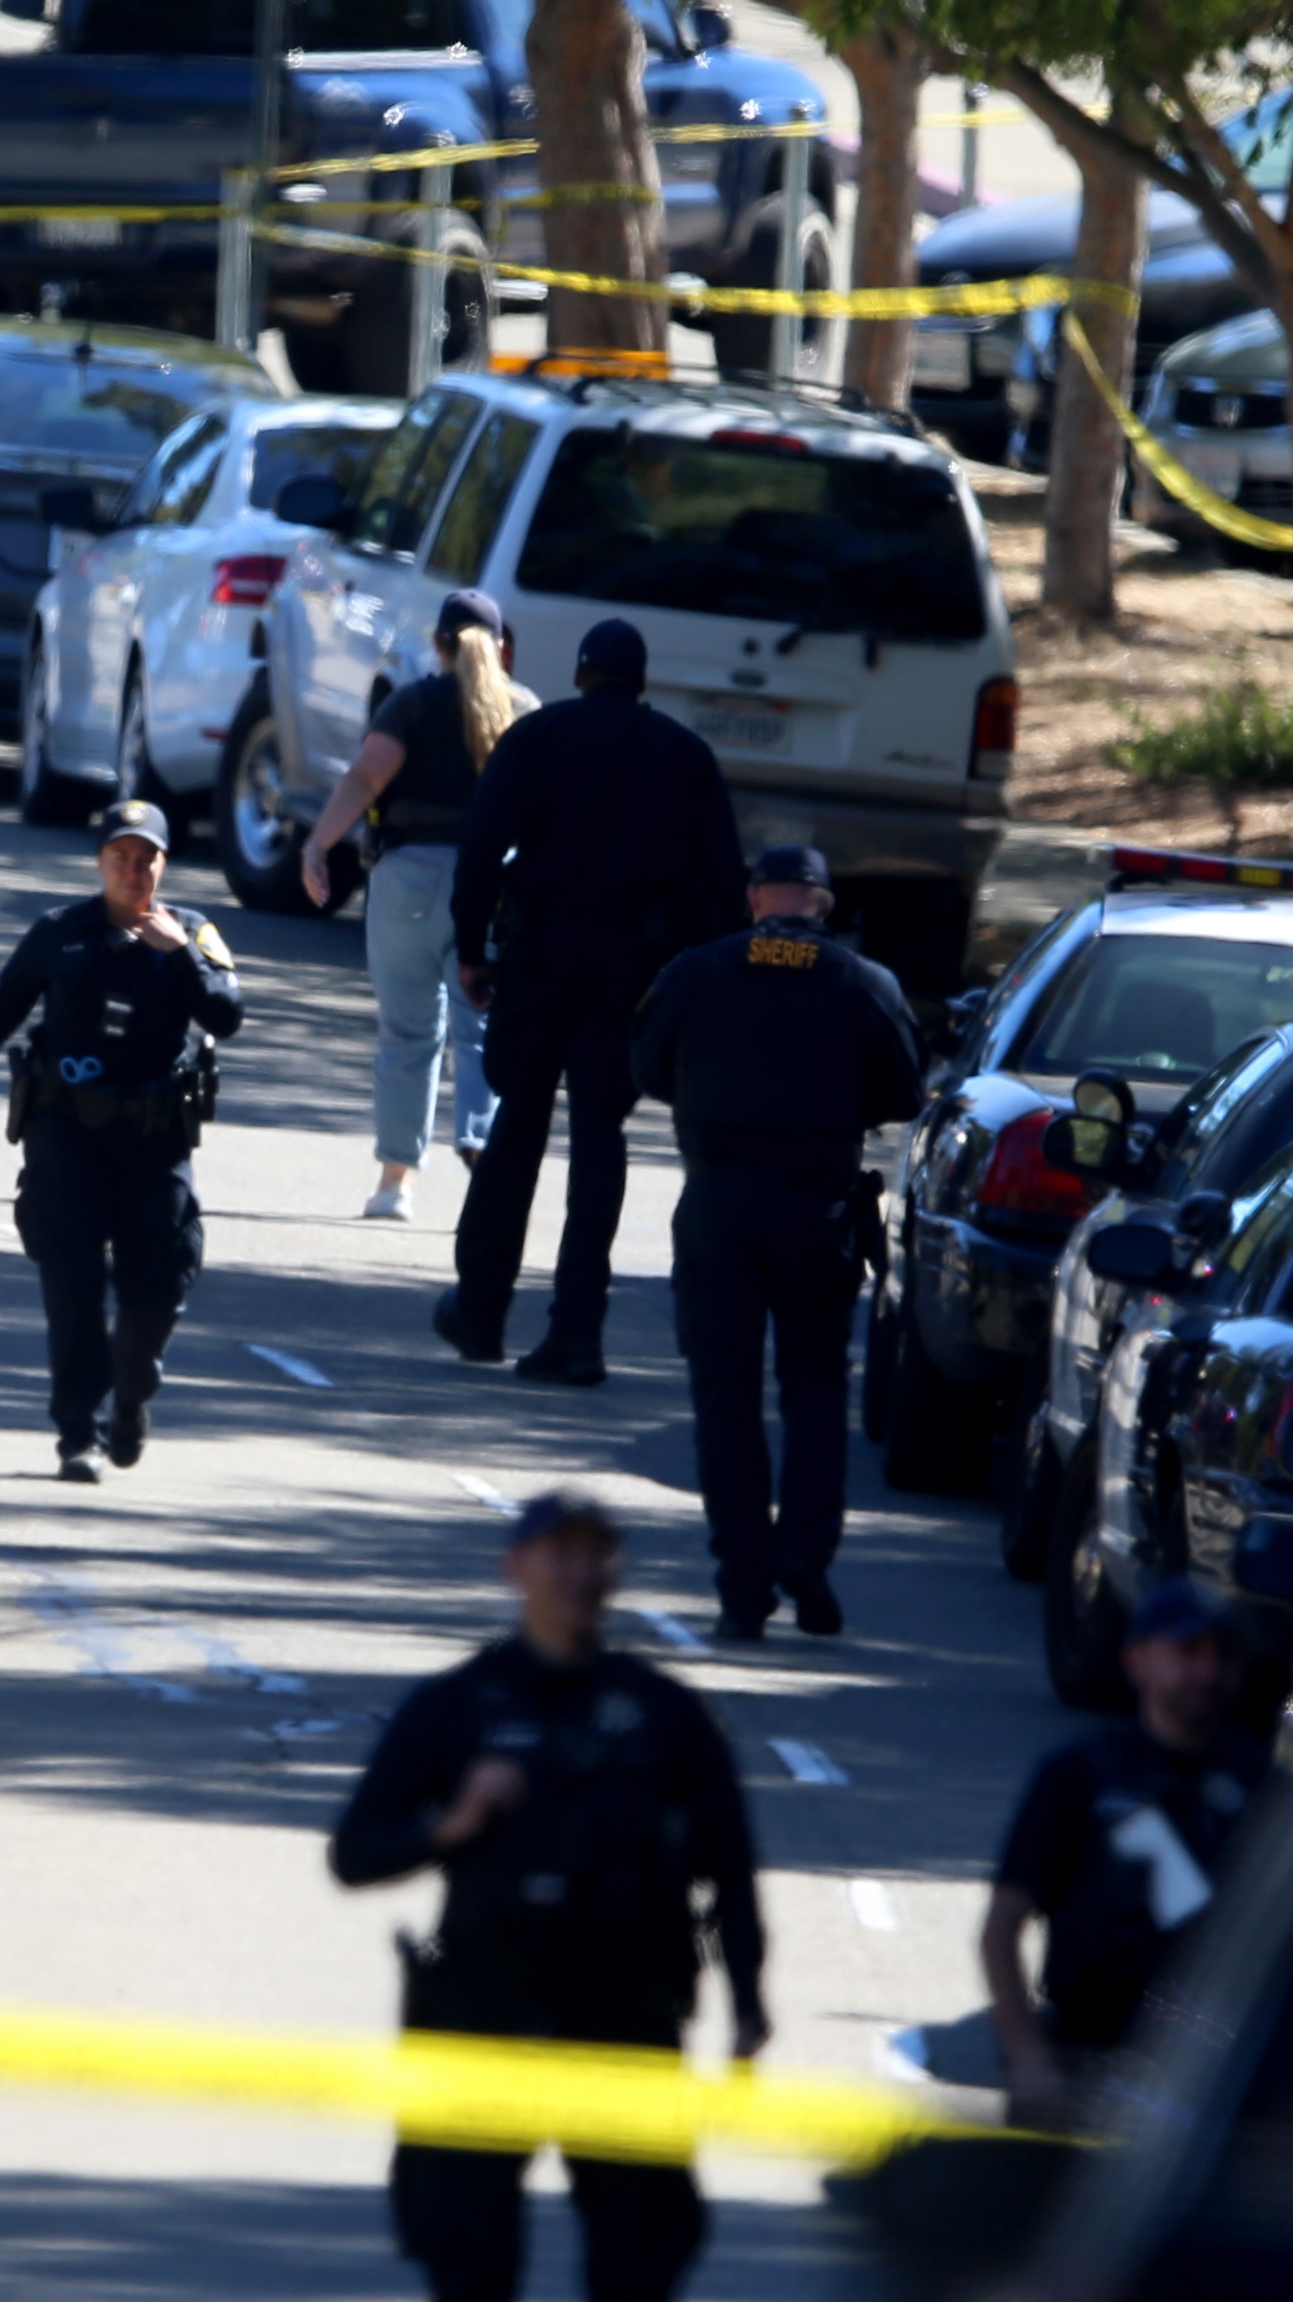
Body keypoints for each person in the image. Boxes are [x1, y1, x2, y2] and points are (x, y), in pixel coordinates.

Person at [328, 1493, 767, 2302]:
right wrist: (450, 1824)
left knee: (648, 2252)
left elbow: (730, 1866)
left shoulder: (663, 1713)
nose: (577, 1574)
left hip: (622, 2013)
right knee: (469, 2273)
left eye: (595, 1555)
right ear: (515, 1568)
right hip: (483, 2010)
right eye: (556, 1554)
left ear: (613, 1574)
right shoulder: (458, 1706)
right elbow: (354, 1851)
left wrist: (748, 2008)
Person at [437, 615, 746, 1387]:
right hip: (632, 973)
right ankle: (577, 1331)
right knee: (600, 1140)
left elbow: (478, 848)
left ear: (581, 674)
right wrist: (695, 997)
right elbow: (719, 891)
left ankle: (481, 1307)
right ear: (640, 680)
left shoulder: (540, 738)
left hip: (540, 958)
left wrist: (473, 948)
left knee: (518, 1124)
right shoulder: (685, 756)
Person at [0, 803, 242, 1482]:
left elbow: (226, 1015)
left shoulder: (193, 933)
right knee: (73, 1283)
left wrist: (179, 958)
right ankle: (77, 1433)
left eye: (148, 861)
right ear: (101, 862)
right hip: (68, 1137)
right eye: (122, 858)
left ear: (164, 866)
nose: (134, 872)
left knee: (160, 1283)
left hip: (154, 1139)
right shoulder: (59, 934)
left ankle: (130, 1399)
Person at [629, 844, 923, 1641]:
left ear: (755, 897)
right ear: (823, 905)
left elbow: (647, 1066)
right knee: (815, 1392)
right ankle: (806, 1559)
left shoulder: (698, 971)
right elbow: (905, 1089)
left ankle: (741, 1586)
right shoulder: (865, 984)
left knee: (724, 1399)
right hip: (816, 1207)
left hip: (719, 1199)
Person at [983, 1583, 1270, 2124]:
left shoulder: (1265, 1791)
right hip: (1086, 2056)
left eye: (1222, 1654)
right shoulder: (1078, 1778)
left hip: (1212, 2071)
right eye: (1187, 1652)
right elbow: (1000, 1931)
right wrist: (1028, 2058)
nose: (1207, 1673)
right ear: (1137, 1660)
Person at [302, 590, 527, 1220]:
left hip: (407, 882)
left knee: (406, 1034)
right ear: (501, 646)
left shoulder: (412, 703)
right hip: (495, 886)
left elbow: (368, 775)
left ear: (438, 643)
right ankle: (483, 1157)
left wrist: (318, 846)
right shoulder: (523, 711)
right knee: (479, 1029)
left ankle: (394, 1183)